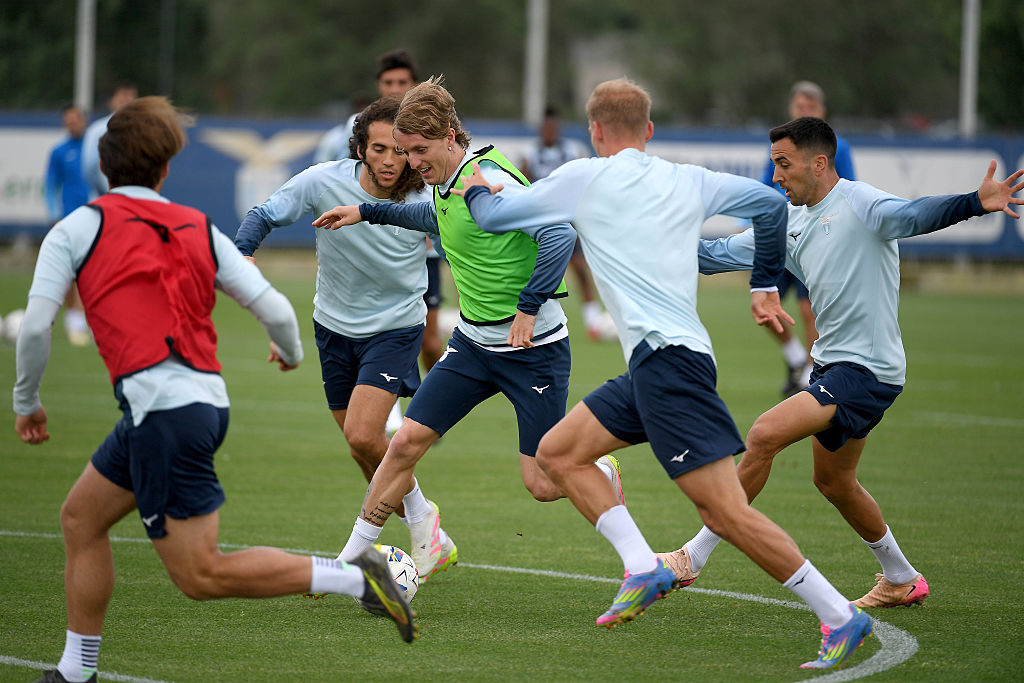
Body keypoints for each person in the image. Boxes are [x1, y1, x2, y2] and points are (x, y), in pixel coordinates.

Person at [456, 78, 875, 670]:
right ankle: (642, 566)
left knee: (726, 514)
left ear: (595, 131)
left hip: (669, 368)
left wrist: (476, 187)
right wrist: (762, 284)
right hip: (660, 364)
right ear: (649, 130)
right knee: (558, 453)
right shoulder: (687, 177)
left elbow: (494, 218)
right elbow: (768, 206)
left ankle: (840, 615)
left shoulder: (583, 177)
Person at [13, 97, 416, 683]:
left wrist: (26, 403)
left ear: (99, 165)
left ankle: (356, 577)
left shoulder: (77, 228)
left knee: (200, 574)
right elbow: (274, 307)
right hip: (195, 402)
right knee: (80, 518)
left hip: (162, 413)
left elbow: (34, 329)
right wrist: (290, 352)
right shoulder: (195, 225)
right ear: (166, 169)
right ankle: (76, 671)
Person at [659, 116, 1023, 612]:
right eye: (773, 164)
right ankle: (901, 578)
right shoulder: (786, 222)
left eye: (783, 164)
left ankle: (692, 557)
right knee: (834, 482)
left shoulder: (861, 203)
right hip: (832, 369)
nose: (775, 176)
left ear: (819, 163)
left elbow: (914, 214)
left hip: (868, 371)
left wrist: (975, 202)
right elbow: (714, 255)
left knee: (764, 434)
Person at [312, 76, 625, 581]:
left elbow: (559, 235)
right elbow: (439, 218)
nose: (412, 163)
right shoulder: (447, 180)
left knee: (542, 484)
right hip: (474, 346)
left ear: (450, 137)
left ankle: (601, 468)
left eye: (420, 151)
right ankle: (347, 562)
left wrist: (529, 307)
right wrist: (366, 211)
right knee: (404, 443)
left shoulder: (492, 179)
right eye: (406, 152)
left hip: (533, 349)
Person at [235, 94, 455, 579]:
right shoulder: (322, 180)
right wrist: (243, 254)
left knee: (362, 433)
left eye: (399, 150)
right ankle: (425, 523)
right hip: (333, 326)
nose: (390, 160)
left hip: (396, 327)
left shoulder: (425, 197)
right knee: (363, 447)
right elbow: (264, 213)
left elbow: (462, 246)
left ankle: (365, 552)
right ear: (360, 149)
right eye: (379, 149)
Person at [314, 49, 444, 411]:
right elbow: (329, 175)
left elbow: (446, 179)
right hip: (366, 246)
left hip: (420, 251)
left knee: (430, 343)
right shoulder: (354, 129)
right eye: (388, 82)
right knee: (381, 335)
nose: (395, 88)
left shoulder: (432, 129)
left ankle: (431, 411)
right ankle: (391, 416)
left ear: (414, 85)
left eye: (402, 82)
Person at [761, 81, 856, 396]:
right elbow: (764, 188)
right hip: (780, 237)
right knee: (764, 304)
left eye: (810, 108)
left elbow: (847, 188)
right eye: (799, 107)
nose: (804, 112)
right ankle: (796, 359)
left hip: (814, 237)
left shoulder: (837, 148)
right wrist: (748, 222)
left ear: (822, 112)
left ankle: (812, 373)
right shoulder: (779, 148)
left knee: (808, 310)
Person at [521, 106, 606, 341]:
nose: (550, 130)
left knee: (580, 270)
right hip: (540, 224)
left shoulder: (571, 151)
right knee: (533, 272)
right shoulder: (530, 153)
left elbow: (583, 185)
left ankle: (593, 322)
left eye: (553, 126)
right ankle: (530, 319)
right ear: (541, 128)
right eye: (546, 127)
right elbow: (524, 184)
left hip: (567, 221)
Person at [43, 104, 91, 346]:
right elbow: (50, 184)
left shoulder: (96, 149)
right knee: (71, 271)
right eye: (69, 120)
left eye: (76, 119)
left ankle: (92, 319)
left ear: (84, 120)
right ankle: (74, 320)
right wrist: (54, 214)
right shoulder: (59, 152)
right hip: (70, 218)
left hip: (95, 216)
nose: (73, 124)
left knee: (94, 268)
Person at [81, 82, 138, 199]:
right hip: (104, 199)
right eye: (122, 95)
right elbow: (90, 167)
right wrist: (110, 192)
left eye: (130, 95)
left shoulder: (144, 129)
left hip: (137, 198)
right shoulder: (97, 129)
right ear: (111, 100)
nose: (127, 100)